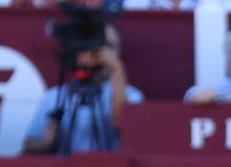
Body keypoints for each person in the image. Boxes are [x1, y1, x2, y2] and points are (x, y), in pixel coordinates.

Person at [23, 22, 142, 155]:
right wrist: (46, 143)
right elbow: (28, 145)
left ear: (119, 52)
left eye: (110, 46)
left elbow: (125, 127)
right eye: (98, 44)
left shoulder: (132, 95)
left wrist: (116, 69)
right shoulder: (54, 97)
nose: (102, 52)